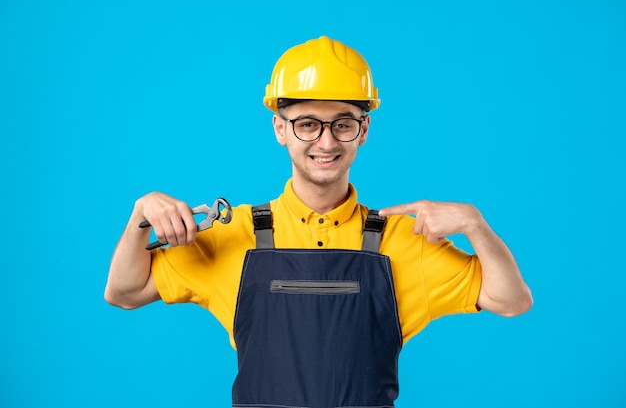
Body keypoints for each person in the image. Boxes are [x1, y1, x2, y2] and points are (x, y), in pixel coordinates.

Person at [105, 36, 532, 408]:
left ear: (363, 131)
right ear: (280, 128)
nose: (326, 142)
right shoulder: (234, 232)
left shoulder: (405, 241)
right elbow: (124, 293)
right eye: (308, 124)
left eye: (342, 124)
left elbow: (511, 300)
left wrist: (476, 225)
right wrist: (140, 217)